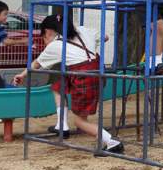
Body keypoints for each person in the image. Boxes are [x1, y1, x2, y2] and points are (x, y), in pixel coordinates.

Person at [12, 15, 124, 154]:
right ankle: (66, 126)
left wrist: (22, 75)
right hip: (97, 74)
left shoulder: (56, 45)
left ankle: (112, 141)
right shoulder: (84, 30)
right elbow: (106, 37)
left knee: (79, 122)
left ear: (48, 32)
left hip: (82, 78)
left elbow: (37, 64)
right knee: (61, 88)